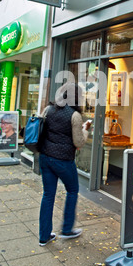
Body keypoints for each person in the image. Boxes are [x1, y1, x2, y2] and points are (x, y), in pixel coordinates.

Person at [38, 82, 91, 246]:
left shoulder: (49, 109)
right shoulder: (74, 115)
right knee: (73, 190)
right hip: (63, 160)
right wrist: (86, 128)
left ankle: (44, 236)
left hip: (45, 157)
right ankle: (67, 229)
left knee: (48, 195)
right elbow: (79, 142)